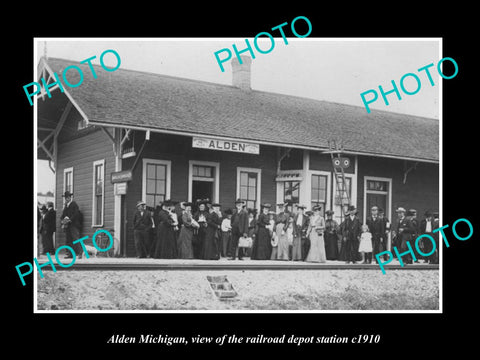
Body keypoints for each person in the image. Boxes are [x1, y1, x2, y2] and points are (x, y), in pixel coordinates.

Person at [60, 191, 82, 258]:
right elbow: (63, 214)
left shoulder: (74, 204)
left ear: (70, 197)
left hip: (74, 225)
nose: (66, 199)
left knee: (76, 239)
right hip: (68, 225)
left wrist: (70, 219)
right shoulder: (66, 206)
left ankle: (80, 253)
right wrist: (62, 220)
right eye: (65, 198)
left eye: (67, 197)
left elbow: (76, 214)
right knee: (69, 240)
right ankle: (71, 254)